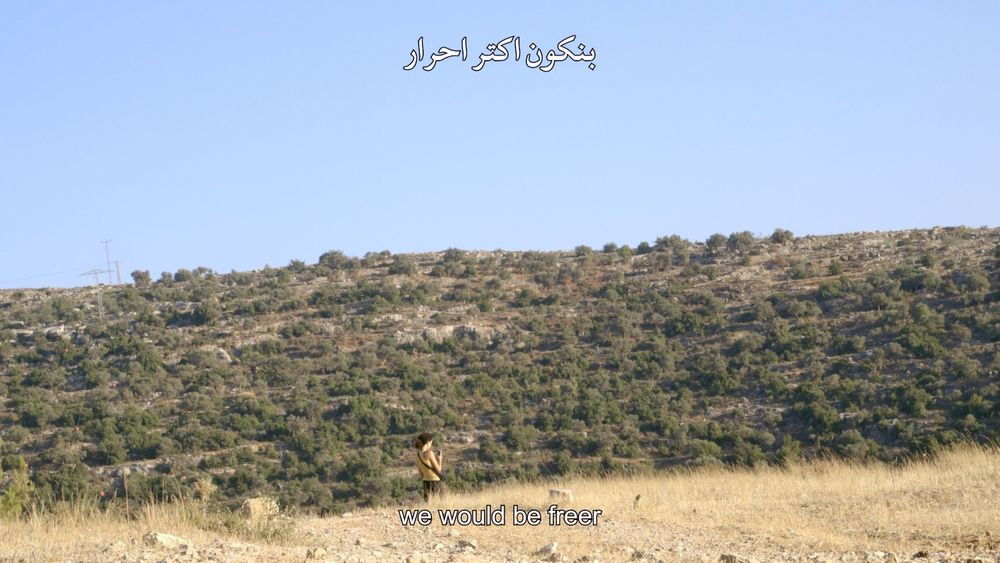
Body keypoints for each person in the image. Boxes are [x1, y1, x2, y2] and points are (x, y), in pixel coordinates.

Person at [414, 432, 444, 501]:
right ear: (428, 442)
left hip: (425, 482)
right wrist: (440, 459)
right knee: (439, 504)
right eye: (431, 442)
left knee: (428, 504)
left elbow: (421, 474)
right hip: (435, 481)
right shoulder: (430, 453)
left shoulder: (417, 455)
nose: (431, 444)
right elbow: (438, 470)